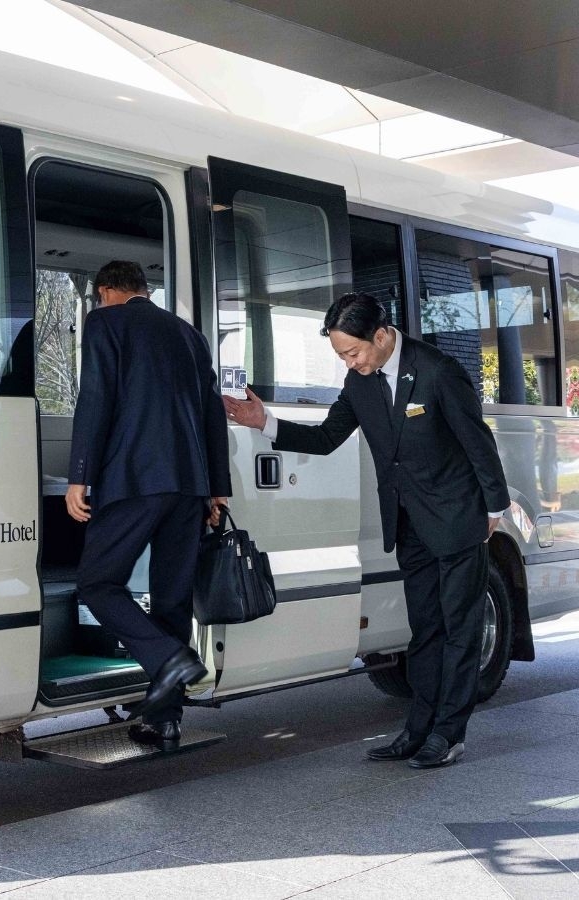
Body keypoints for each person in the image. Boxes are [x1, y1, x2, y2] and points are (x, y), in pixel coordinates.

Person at [223, 293, 507, 768]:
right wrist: (264, 421)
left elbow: (477, 441)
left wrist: (493, 506)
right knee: (424, 630)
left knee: (460, 630)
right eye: (340, 356)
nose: (348, 363)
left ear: (381, 336)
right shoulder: (360, 384)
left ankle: (449, 734)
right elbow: (326, 438)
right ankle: (417, 730)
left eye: (352, 353)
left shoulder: (436, 371)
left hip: (458, 518)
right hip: (409, 521)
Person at [67, 260, 230, 749]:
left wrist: (80, 476)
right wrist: (216, 487)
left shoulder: (106, 322)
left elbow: (96, 399)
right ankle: (165, 720)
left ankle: (169, 659)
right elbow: (211, 414)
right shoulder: (188, 335)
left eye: (98, 298)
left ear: (107, 291)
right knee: (171, 597)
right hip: (189, 486)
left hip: (134, 479)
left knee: (97, 583)